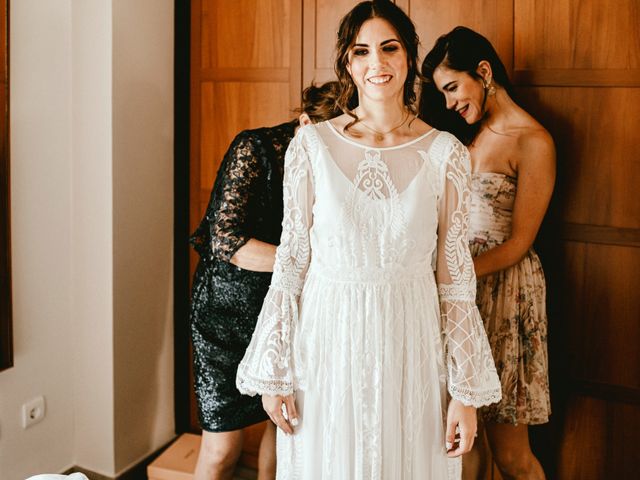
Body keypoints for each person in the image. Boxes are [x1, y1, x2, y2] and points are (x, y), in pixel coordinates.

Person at [236, 2, 502, 479]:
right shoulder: (311, 147)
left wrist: (464, 391)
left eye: (389, 48)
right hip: (326, 348)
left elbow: (455, 277)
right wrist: (275, 371)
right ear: (348, 63)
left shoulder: (446, 154)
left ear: (408, 57)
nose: (376, 63)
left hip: (412, 348)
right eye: (362, 51)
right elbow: (293, 259)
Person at [420, 26, 555, 480]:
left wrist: (453, 276)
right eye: (443, 93)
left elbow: (520, 242)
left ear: (483, 71)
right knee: (461, 442)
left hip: (503, 292)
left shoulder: (532, 140)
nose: (450, 103)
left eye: (453, 88)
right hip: (458, 294)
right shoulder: (466, 137)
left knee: (510, 452)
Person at [189, 81, 341, 480]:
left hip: (286, 310)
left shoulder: (340, 163)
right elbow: (227, 240)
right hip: (225, 313)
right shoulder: (254, 149)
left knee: (285, 427)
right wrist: (313, 263)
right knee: (223, 447)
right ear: (304, 122)